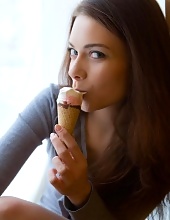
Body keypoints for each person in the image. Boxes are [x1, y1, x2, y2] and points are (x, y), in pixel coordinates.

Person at [0, 0, 170, 219]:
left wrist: (81, 193)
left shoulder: (161, 142)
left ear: (138, 61)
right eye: (73, 51)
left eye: (96, 54)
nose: (73, 70)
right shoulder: (54, 103)